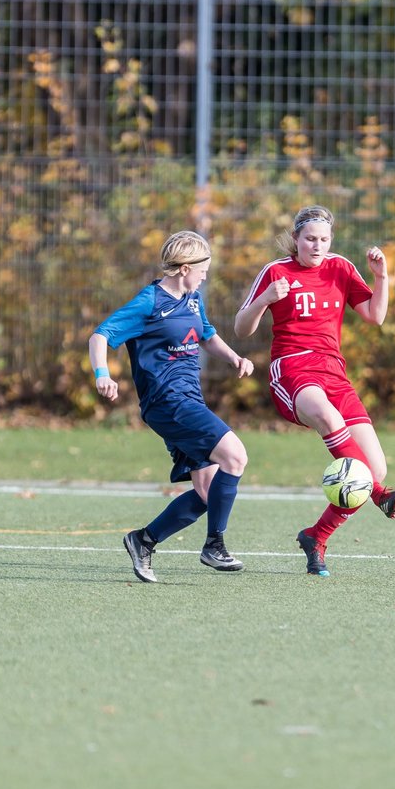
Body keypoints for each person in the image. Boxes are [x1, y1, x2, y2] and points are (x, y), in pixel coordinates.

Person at [234, 205, 395, 577]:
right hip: (293, 369)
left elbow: (375, 317)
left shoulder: (340, 267)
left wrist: (382, 277)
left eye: (323, 240)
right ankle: (379, 494)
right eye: (309, 239)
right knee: (332, 423)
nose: (316, 246)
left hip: (334, 373)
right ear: (295, 239)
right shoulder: (276, 271)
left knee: (374, 467)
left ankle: (317, 536)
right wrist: (265, 299)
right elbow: (241, 327)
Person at [89, 230, 254, 583]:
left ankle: (143, 540)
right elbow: (100, 335)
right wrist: (102, 374)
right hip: (167, 402)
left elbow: (206, 334)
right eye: (202, 269)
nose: (205, 276)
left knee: (209, 493)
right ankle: (214, 545)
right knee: (235, 456)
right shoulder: (149, 301)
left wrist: (233, 358)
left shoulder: (193, 300)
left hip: (189, 400)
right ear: (183, 268)